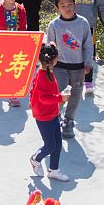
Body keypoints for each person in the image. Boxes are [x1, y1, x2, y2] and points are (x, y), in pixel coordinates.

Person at [46, 0, 92, 140]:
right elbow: (50, 46)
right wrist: (49, 66)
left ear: (75, 5)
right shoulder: (54, 24)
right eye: (63, 6)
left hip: (78, 67)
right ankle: (55, 116)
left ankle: (69, 120)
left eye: (70, 5)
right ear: (57, 8)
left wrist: (88, 62)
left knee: (76, 94)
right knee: (58, 92)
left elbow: (88, 44)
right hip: (60, 66)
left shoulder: (83, 22)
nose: (67, 8)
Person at [28, 44, 70, 181]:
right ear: (55, 59)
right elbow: (43, 97)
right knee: (50, 145)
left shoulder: (47, 73)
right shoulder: (43, 76)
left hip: (52, 114)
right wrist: (60, 98)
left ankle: (53, 169)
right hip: (43, 116)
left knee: (58, 144)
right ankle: (36, 158)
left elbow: (36, 93)